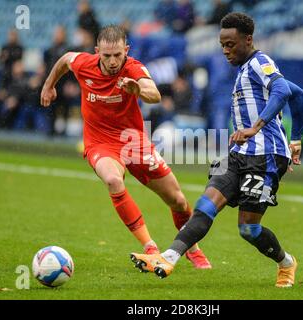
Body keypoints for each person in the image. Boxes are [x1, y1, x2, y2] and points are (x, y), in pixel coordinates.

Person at [130, 12, 303, 288]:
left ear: (248, 40)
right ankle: (168, 258)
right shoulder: (244, 70)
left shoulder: (261, 62)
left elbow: (284, 91)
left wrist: (256, 127)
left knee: (248, 229)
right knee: (204, 207)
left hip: (266, 157)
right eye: (222, 44)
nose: (225, 50)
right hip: (239, 155)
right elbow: (299, 95)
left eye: (230, 44)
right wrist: (296, 139)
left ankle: (286, 263)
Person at [40, 25, 211, 269]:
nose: (112, 61)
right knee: (113, 180)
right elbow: (65, 60)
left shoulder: (133, 68)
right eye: (107, 55)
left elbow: (155, 94)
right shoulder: (83, 63)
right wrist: (49, 85)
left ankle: (193, 249)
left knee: (178, 200)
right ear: (97, 51)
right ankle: (150, 247)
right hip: (100, 142)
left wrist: (138, 89)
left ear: (126, 51)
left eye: (117, 55)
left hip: (134, 142)